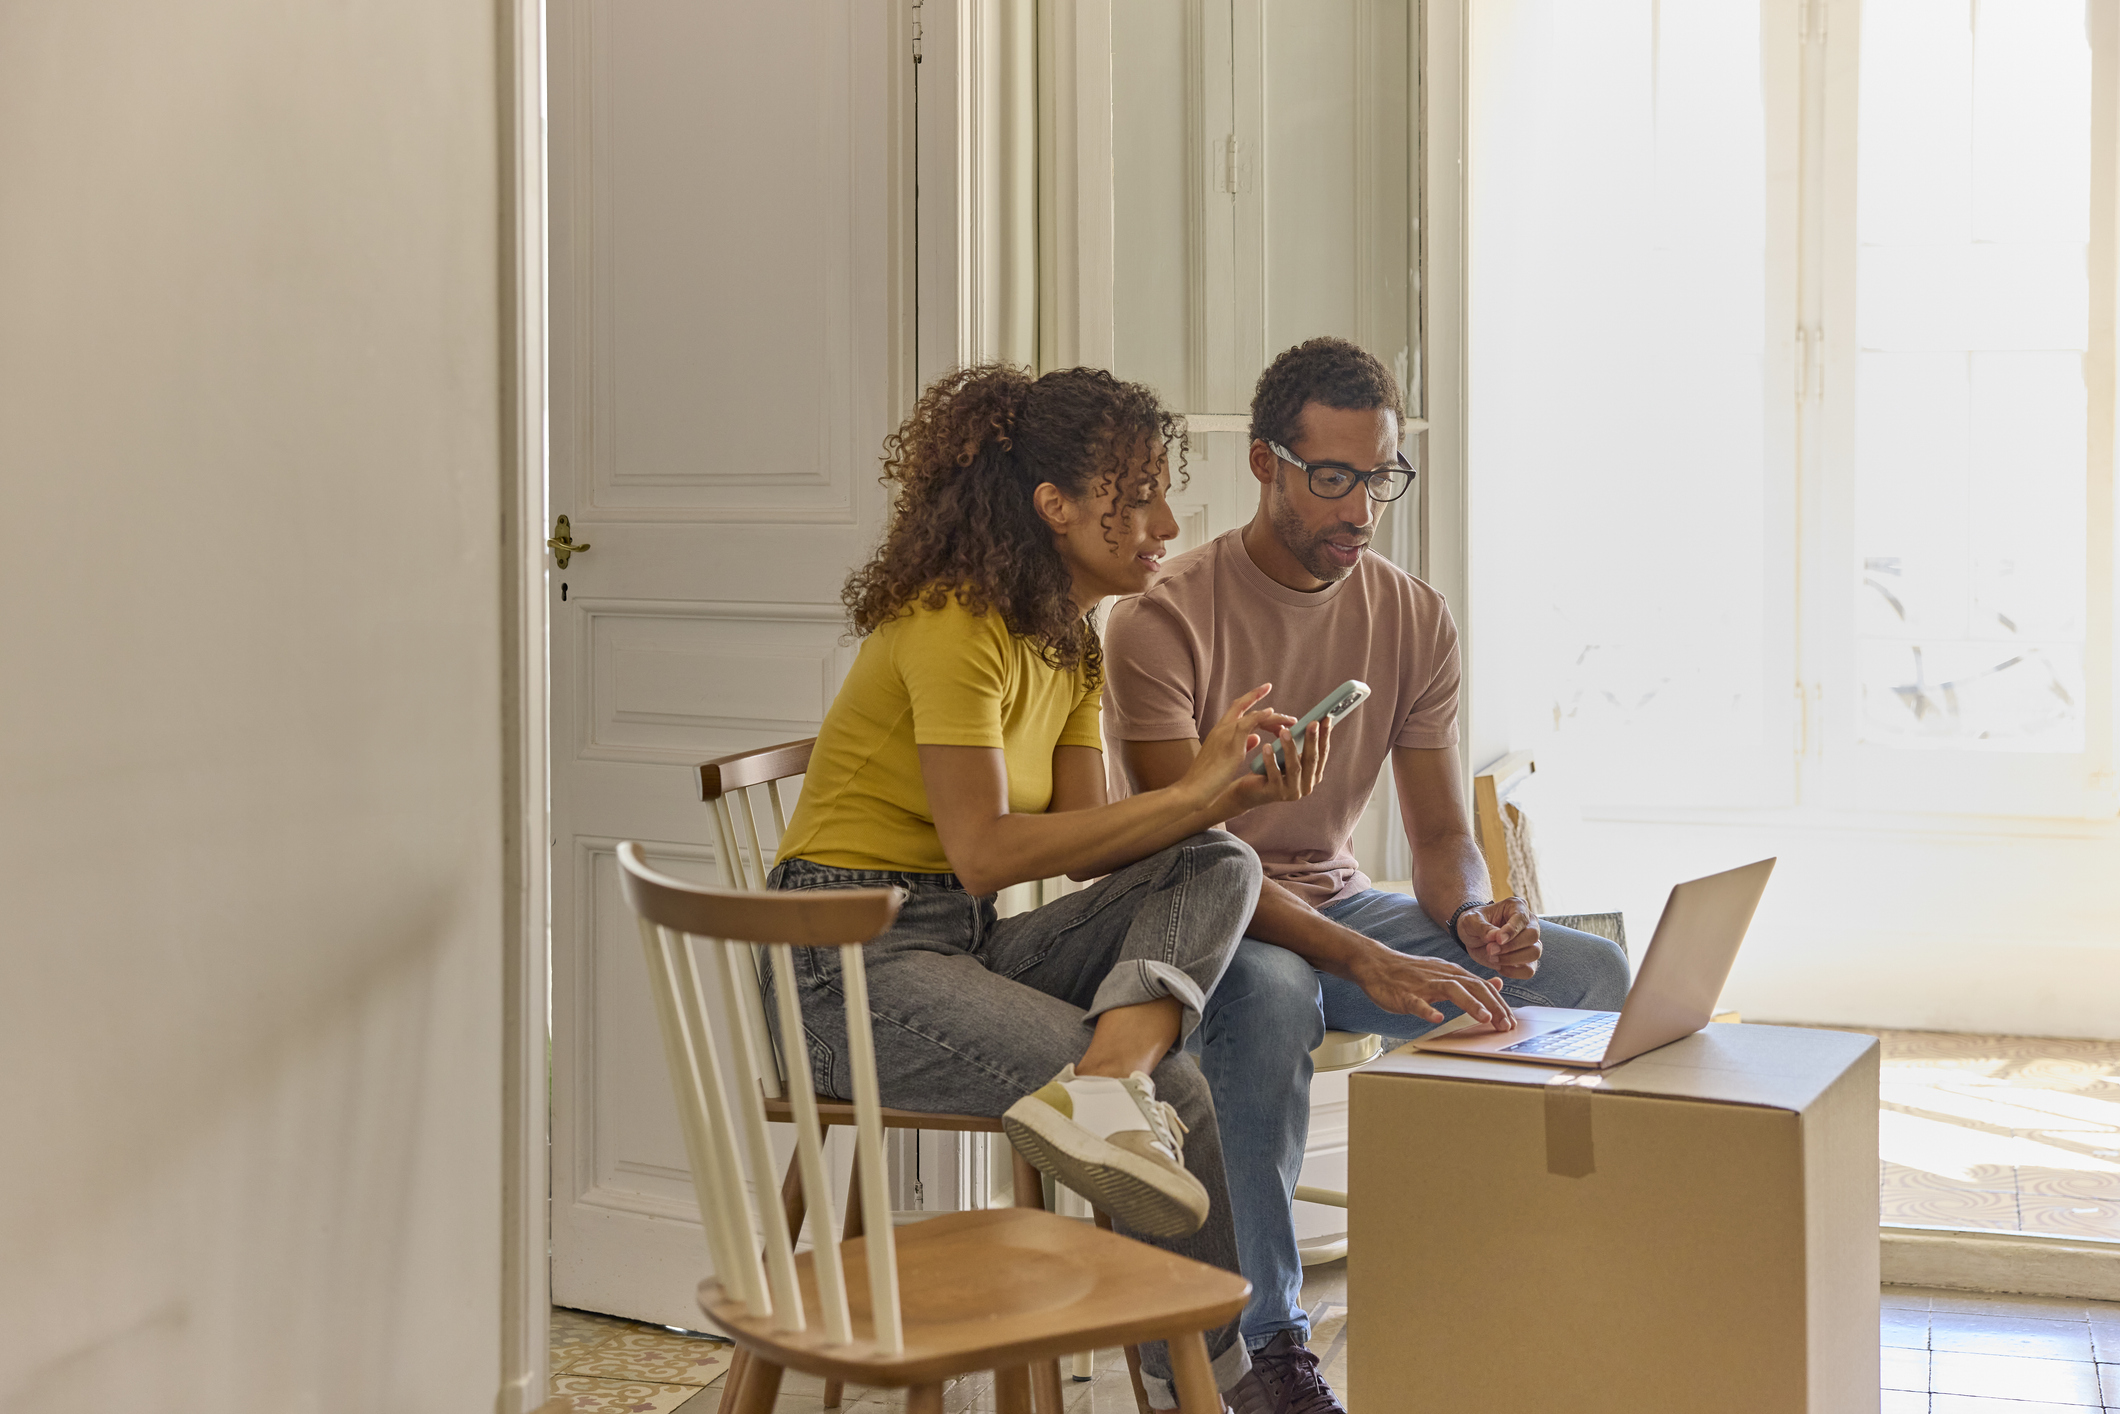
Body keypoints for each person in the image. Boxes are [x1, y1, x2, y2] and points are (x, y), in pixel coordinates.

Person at [767, 362, 1331, 1407]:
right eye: (1140, 494)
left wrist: (1220, 801)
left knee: (1220, 863)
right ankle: (1207, 1388)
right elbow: (984, 849)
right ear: (1056, 507)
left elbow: (1089, 848)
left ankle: (1108, 1081)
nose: (1168, 518)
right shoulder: (952, 623)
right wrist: (1198, 791)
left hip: (960, 942)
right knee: (1182, 1083)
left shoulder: (1071, 644)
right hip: (849, 967)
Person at [1103, 337, 1632, 1414]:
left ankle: (1536, 1280)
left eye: (1378, 477)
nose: (1359, 509)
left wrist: (1476, 914)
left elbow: (1438, 835)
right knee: (1269, 994)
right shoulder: (1162, 619)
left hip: (1343, 903)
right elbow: (1195, 855)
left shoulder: (1412, 615)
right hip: (1215, 921)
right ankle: (1267, 1347)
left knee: (1590, 974)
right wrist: (1367, 958)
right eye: (1331, 477)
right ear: (1265, 464)